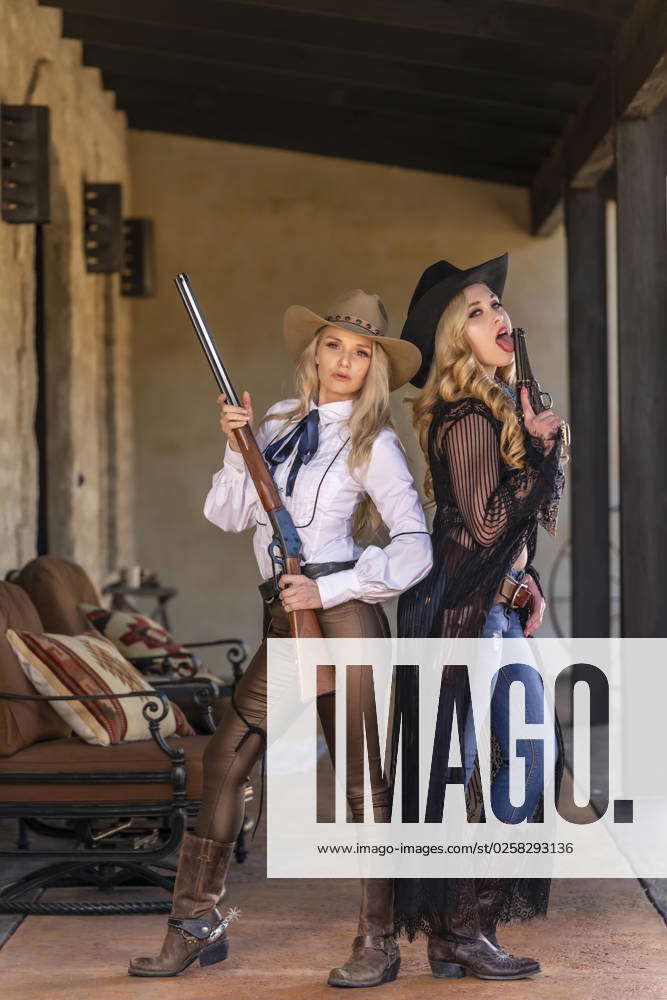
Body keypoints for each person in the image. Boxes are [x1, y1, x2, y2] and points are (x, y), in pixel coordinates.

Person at [129, 289, 432, 987]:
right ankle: (194, 925)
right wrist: (237, 449)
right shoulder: (274, 422)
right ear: (314, 351)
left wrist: (327, 590)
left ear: (373, 368)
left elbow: (415, 547)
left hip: (343, 616)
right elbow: (230, 515)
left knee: (360, 783)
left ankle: (377, 942)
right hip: (282, 617)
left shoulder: (373, 442)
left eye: (360, 354)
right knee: (224, 763)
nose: (344, 362)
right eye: (334, 346)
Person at [393, 253, 565, 980]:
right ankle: (461, 928)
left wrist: (522, 584)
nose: (496, 317)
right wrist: (537, 452)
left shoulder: (496, 408)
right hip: (457, 615)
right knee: (471, 769)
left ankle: (463, 926)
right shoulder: (465, 415)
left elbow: (516, 538)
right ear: (450, 340)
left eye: (494, 304)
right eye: (473, 311)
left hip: (489, 608)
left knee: (526, 757)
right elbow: (490, 524)